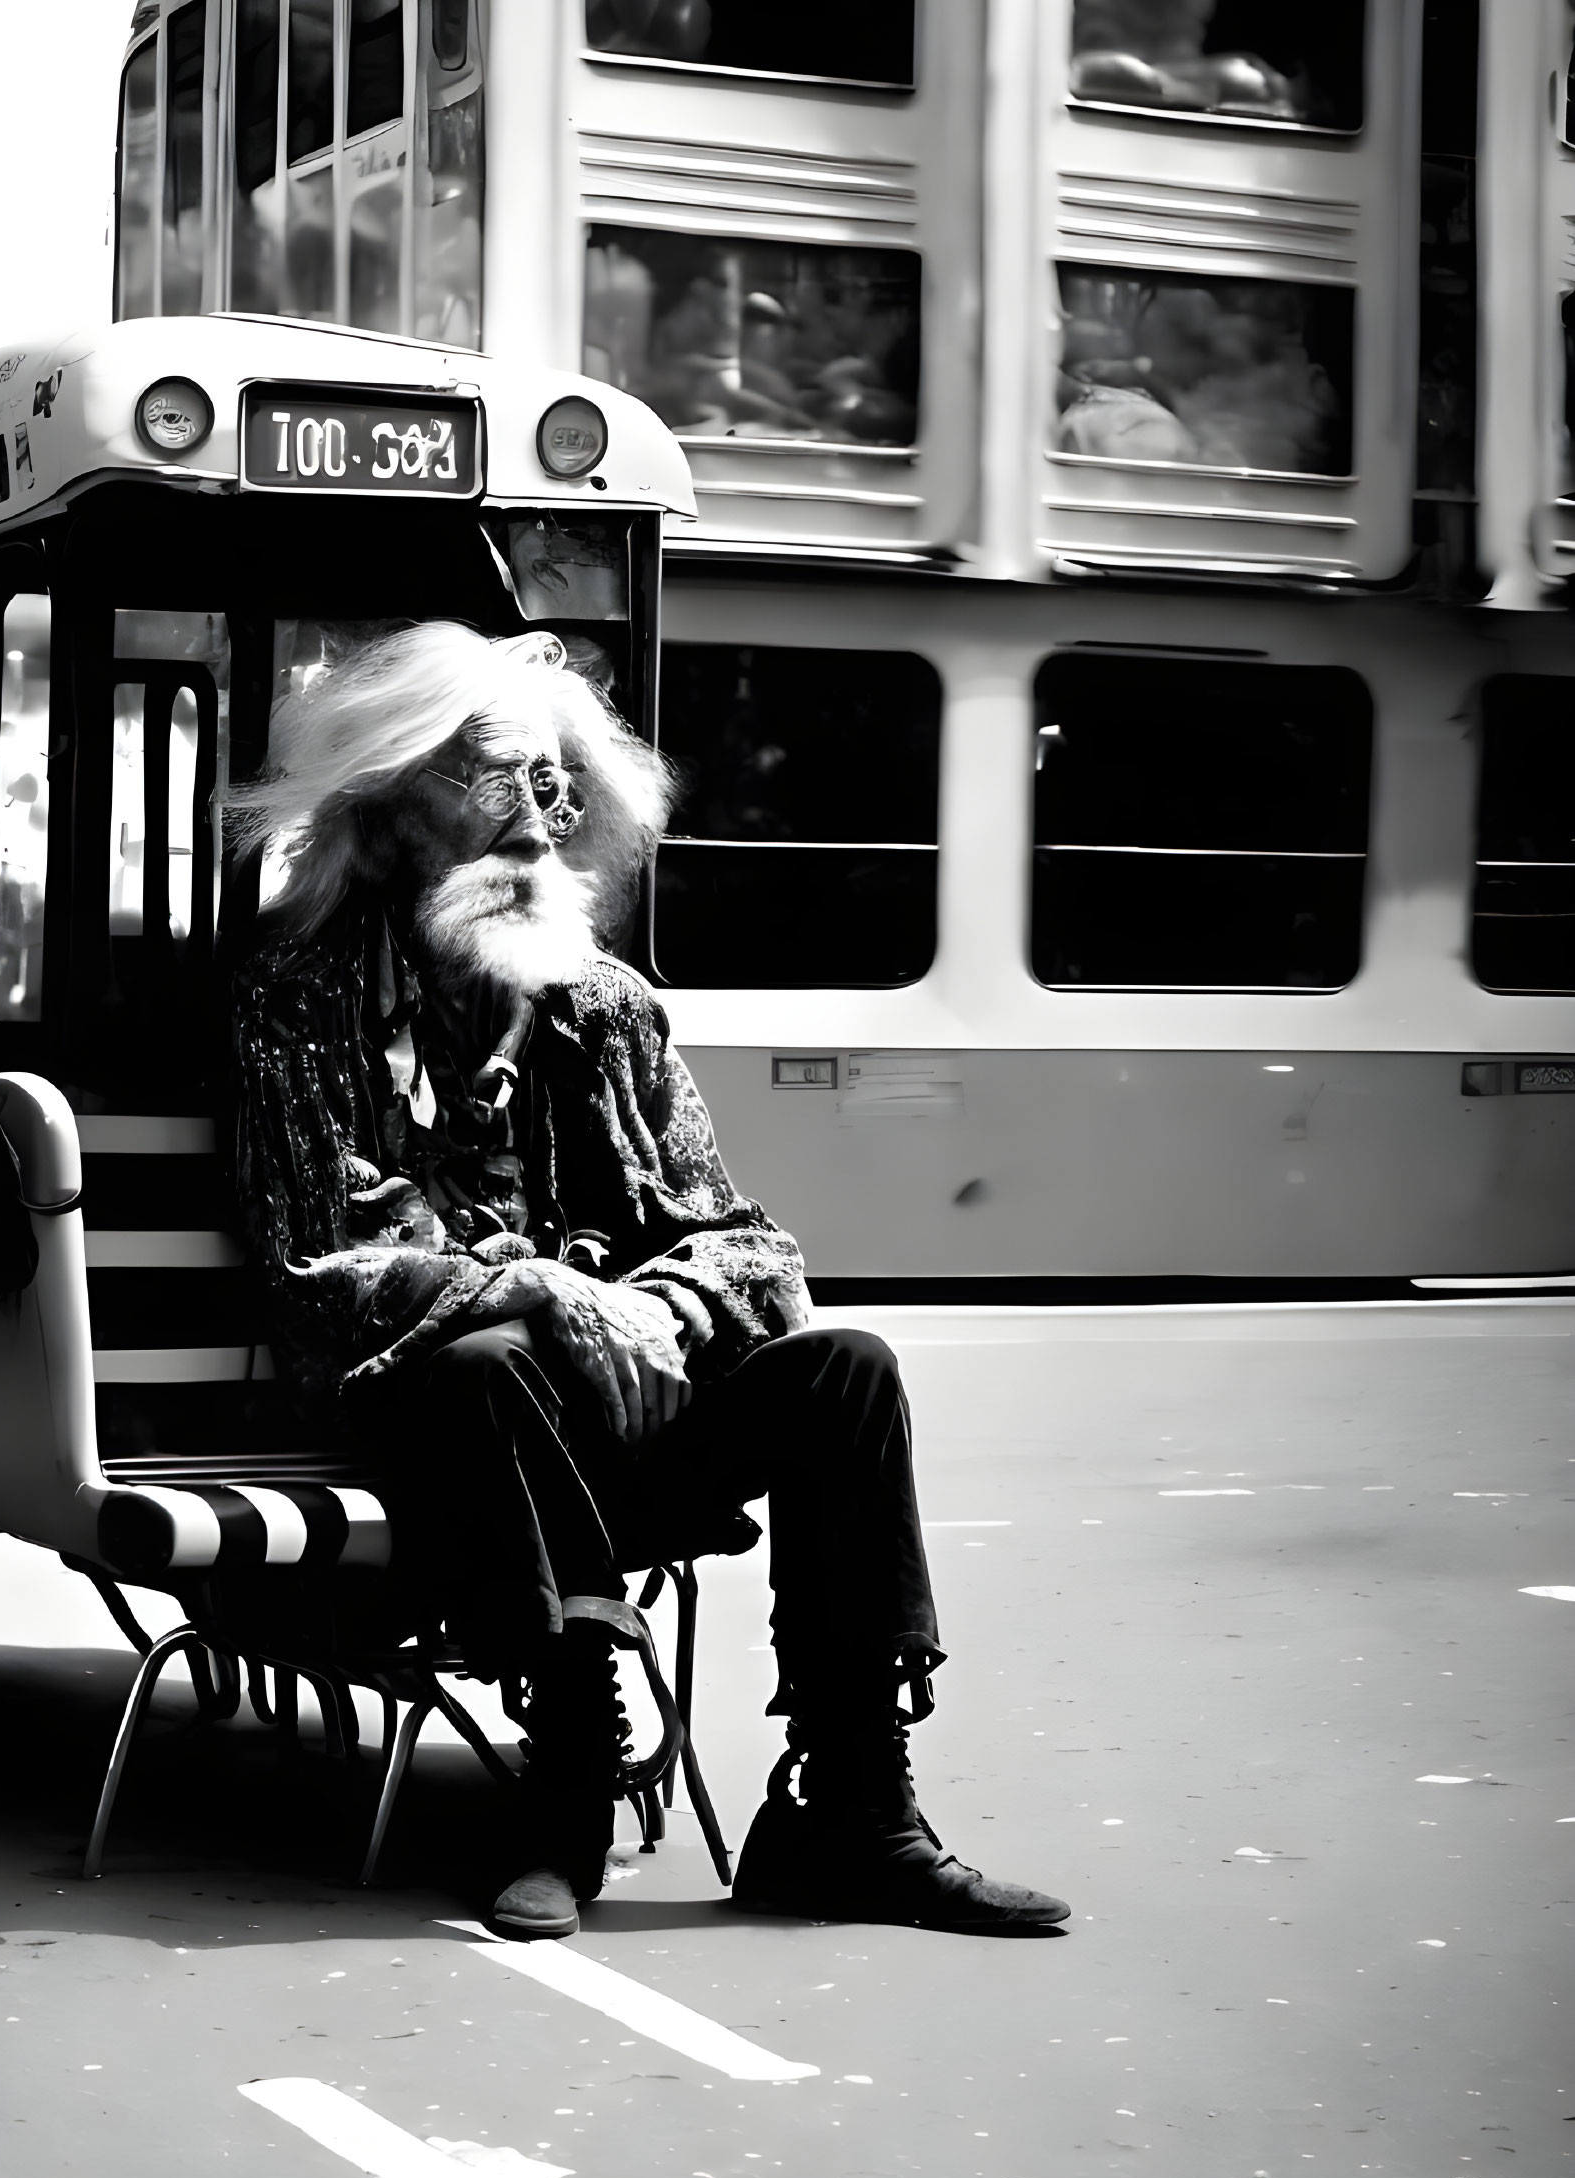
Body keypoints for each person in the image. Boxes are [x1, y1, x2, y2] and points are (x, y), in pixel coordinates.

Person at [231, 622, 1068, 1942]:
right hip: (445, 1438)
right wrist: (544, 1293)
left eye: (557, 801)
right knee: (490, 1360)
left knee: (844, 1372)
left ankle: (853, 1805)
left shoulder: (605, 1006)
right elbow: (318, 1270)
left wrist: (652, 1306)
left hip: (619, 1424)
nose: (541, 824)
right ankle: (564, 1791)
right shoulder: (300, 1001)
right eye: (494, 793)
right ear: (390, 823)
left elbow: (745, 1244)